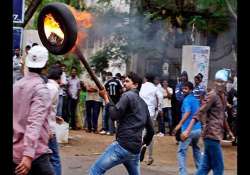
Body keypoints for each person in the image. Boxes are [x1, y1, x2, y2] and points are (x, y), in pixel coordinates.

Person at [89, 72, 154, 175]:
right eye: (124, 81)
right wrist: (143, 144)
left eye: (127, 81)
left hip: (122, 147)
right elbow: (151, 130)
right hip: (135, 150)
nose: (124, 83)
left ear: (136, 85)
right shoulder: (143, 104)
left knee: (95, 171)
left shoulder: (127, 95)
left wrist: (105, 97)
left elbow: (114, 115)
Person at [181, 69, 235, 175]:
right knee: (219, 168)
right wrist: (187, 131)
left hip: (216, 135)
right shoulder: (212, 95)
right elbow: (199, 112)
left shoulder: (223, 96)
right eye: (218, 81)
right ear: (215, 82)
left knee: (205, 167)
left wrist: (229, 131)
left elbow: (222, 116)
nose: (220, 84)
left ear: (226, 83)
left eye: (222, 81)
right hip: (211, 135)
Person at [13, 45, 54, 175]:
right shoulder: (41, 90)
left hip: (15, 152)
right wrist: (28, 155)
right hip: (34, 156)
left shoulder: (17, 85)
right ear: (46, 66)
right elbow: (34, 123)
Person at [173, 81, 202, 175]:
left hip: (188, 130)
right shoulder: (195, 100)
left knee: (181, 152)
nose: (183, 90)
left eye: (186, 89)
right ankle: (201, 171)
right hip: (197, 130)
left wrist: (179, 125)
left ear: (191, 90)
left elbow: (187, 112)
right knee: (196, 149)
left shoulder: (187, 100)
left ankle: (183, 173)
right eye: (183, 88)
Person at [139, 73, 161, 165]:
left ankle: (138, 151)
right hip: (151, 113)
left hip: (141, 111)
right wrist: (158, 108)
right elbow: (160, 97)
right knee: (150, 133)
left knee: (140, 132)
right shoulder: (155, 88)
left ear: (145, 78)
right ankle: (150, 157)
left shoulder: (142, 86)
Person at [47, 65, 64, 175]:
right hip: (48, 129)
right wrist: (48, 129)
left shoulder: (48, 86)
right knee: (55, 159)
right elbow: (44, 108)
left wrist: (55, 117)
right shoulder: (53, 88)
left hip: (47, 126)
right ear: (59, 77)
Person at [84, 67, 103, 133]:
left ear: (95, 72)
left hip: (97, 99)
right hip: (88, 98)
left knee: (95, 114)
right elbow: (87, 89)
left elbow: (97, 89)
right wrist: (93, 89)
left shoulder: (99, 80)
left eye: (93, 70)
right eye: (91, 70)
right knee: (88, 114)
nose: (92, 72)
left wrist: (92, 88)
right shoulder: (87, 80)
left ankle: (95, 128)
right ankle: (89, 128)